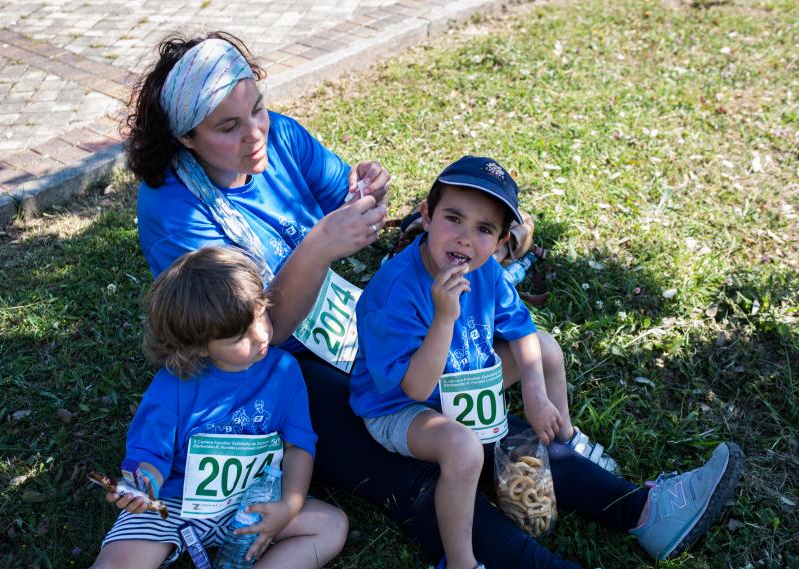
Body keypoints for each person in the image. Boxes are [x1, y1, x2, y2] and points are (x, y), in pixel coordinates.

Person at [125, 30, 743, 569]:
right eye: (228, 128)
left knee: (471, 407)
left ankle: (642, 511)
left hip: (349, 323)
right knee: (412, 466)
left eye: (258, 110)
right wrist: (316, 247)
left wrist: (367, 191)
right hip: (268, 365)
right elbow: (249, 334)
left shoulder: (278, 136)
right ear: (184, 138)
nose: (255, 133)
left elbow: (348, 192)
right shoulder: (170, 206)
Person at [348, 156, 745, 569]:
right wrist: (444, 316)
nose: (465, 239)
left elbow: (521, 331)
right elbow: (414, 387)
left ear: (502, 241)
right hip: (401, 407)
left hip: (459, 381)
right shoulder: (395, 290)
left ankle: (568, 444)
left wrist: (535, 394)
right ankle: (461, 562)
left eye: (484, 229)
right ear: (427, 216)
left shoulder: (485, 273)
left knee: (545, 347)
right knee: (464, 449)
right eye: (454, 218)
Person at [91, 246, 348, 569]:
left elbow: (299, 446)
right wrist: (143, 487)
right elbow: (150, 458)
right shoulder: (172, 386)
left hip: (252, 504)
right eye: (239, 336)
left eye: (261, 314)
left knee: (331, 526)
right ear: (198, 346)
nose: (261, 335)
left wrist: (289, 506)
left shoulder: (285, 371)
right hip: (176, 504)